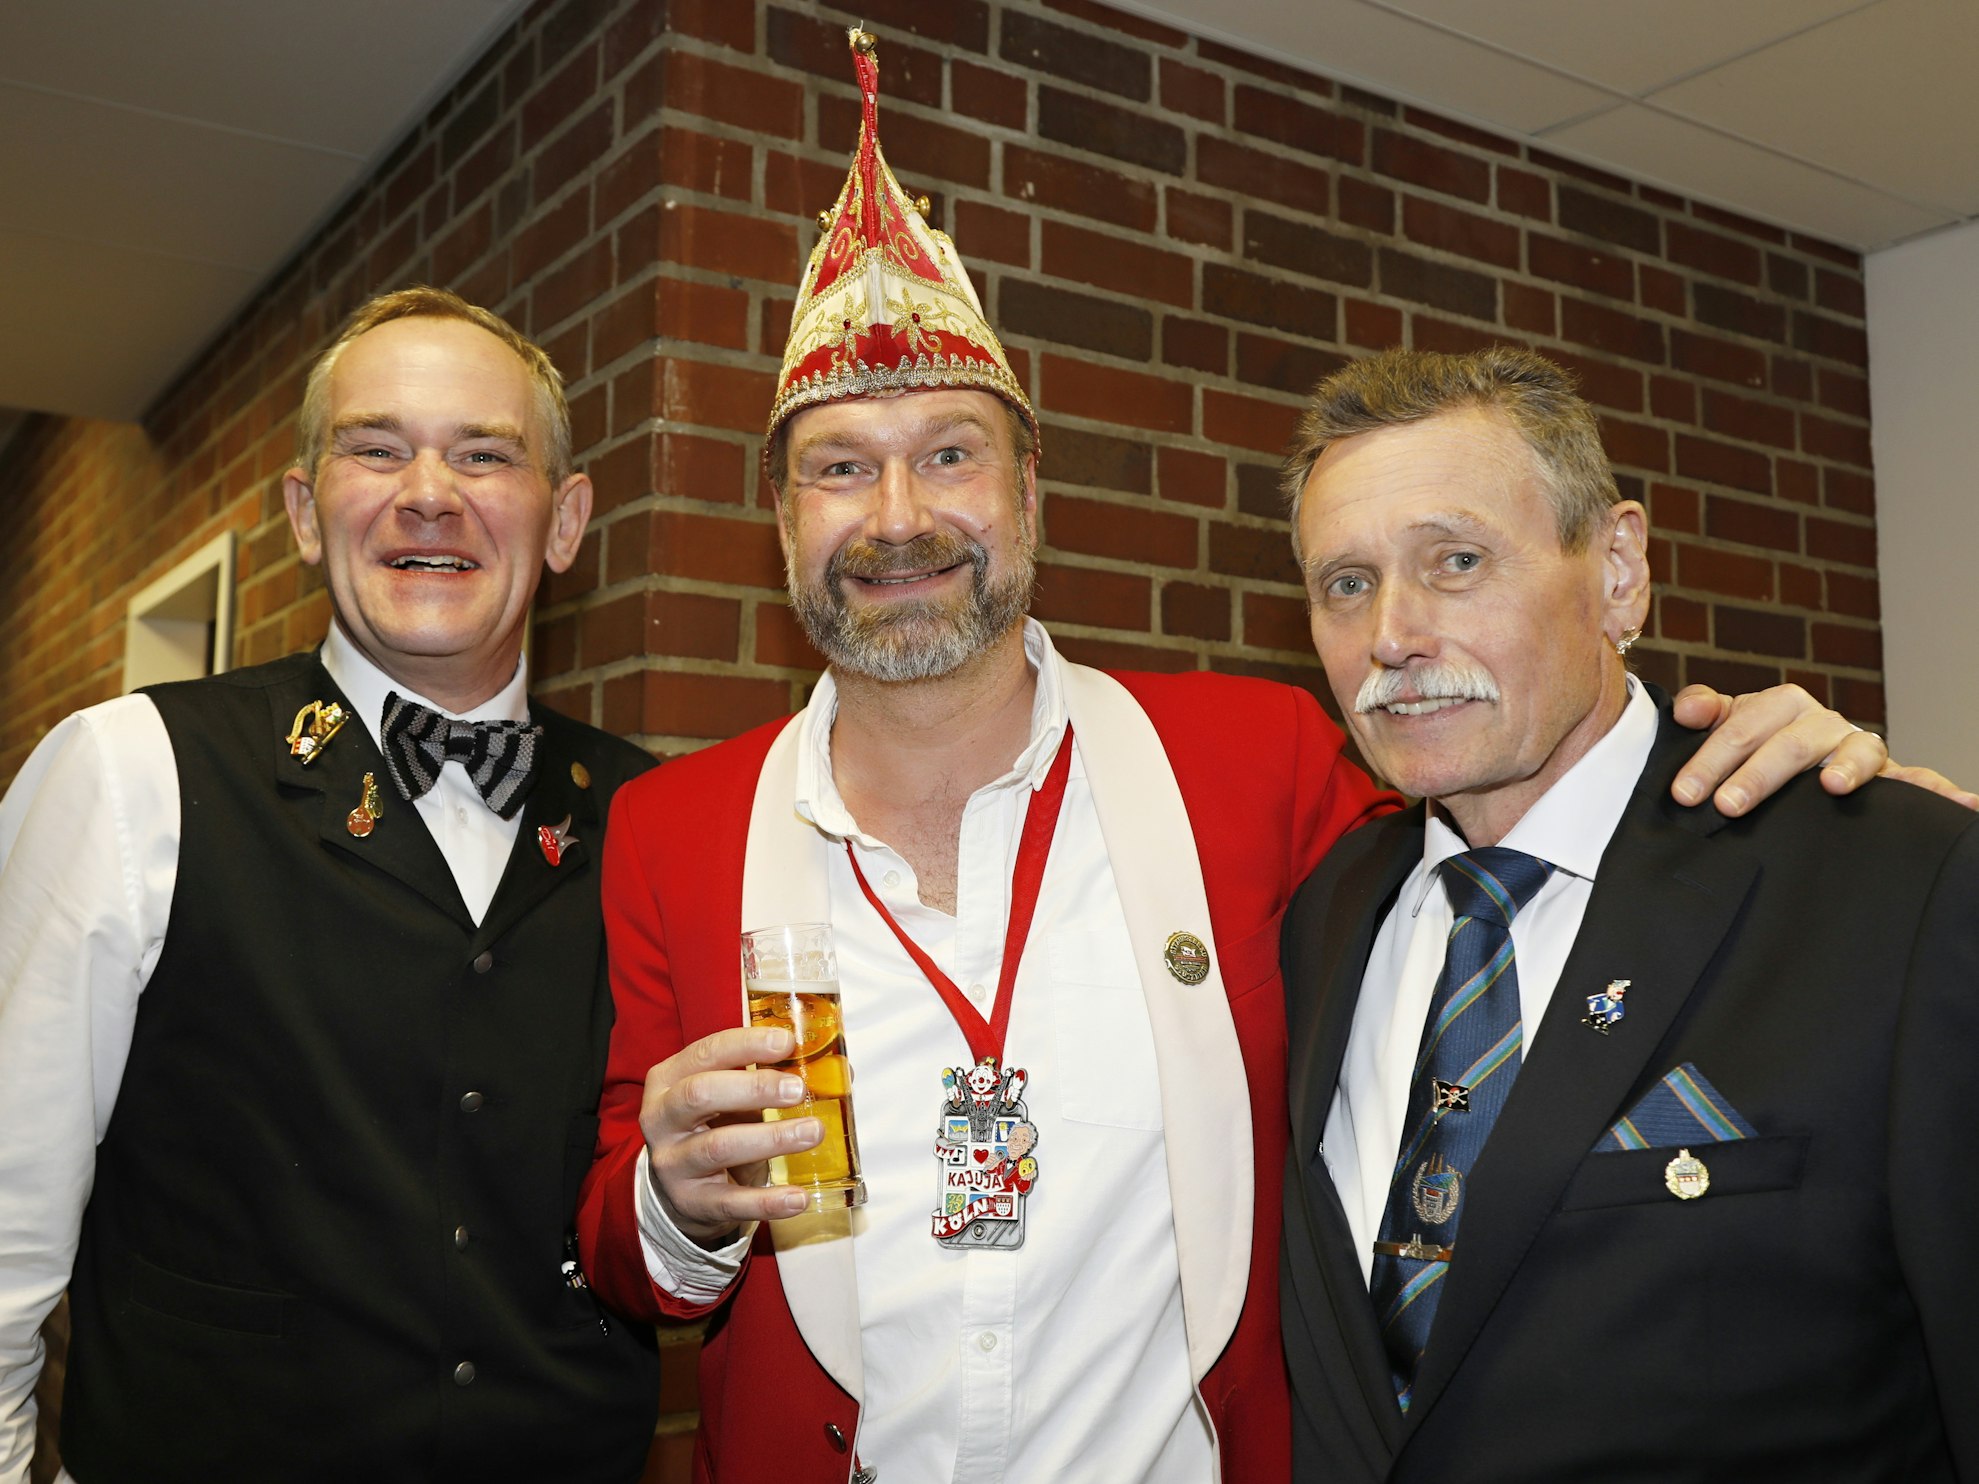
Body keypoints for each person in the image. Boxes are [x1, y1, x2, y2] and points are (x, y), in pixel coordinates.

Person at [573, 30, 1900, 1484]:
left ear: (1026, 492)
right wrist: (677, 1205)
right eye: (838, 466)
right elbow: (633, 1268)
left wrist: (1821, 775)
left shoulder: (1249, 757)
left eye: (949, 453)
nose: (898, 514)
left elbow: (1528, 797)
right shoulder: (667, 828)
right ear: (778, 519)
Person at [1279, 346, 1979, 1480]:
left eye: (1454, 560)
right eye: (1343, 583)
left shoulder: (1892, 885)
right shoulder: (1325, 915)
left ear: (1615, 570)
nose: (1390, 635)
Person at [0, 287, 661, 1483]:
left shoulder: (652, 817)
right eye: (375, 446)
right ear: (306, 512)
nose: (427, 491)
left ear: (563, 521)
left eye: (482, 453)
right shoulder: (130, 769)